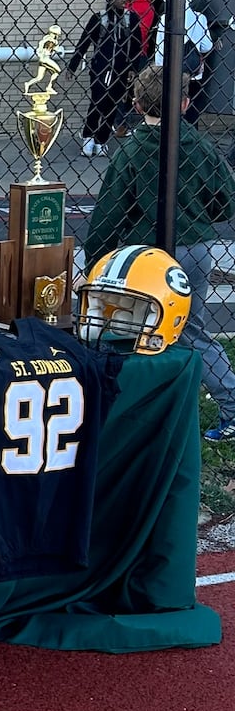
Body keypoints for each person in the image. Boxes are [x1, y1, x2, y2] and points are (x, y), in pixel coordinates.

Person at [85, 65, 235, 440]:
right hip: (195, 247)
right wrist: (200, 215)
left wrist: (95, 261)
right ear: (185, 103)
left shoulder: (132, 150)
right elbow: (226, 202)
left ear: (136, 104)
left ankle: (137, 409)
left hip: (146, 257)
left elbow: (109, 212)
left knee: (131, 329)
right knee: (191, 330)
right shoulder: (202, 146)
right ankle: (229, 404)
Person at [65, 0, 134, 157]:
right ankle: (88, 137)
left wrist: (133, 68)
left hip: (120, 70)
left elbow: (136, 46)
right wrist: (72, 65)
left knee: (112, 105)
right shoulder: (99, 18)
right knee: (97, 102)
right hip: (100, 69)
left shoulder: (130, 19)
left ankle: (101, 139)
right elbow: (84, 42)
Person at [153, 0, 215, 126]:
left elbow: (160, 49)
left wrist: (159, 69)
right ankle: (191, 139)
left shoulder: (166, 18)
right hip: (194, 72)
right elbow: (207, 46)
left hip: (172, 72)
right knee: (192, 109)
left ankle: (172, 139)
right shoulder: (200, 18)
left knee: (172, 107)